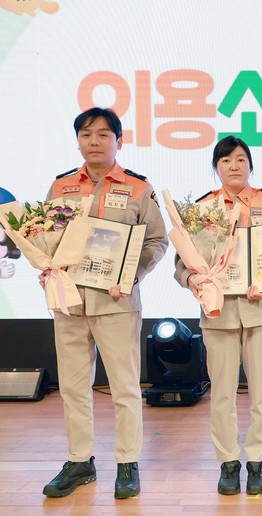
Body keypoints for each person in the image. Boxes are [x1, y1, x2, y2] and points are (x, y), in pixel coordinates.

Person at [41, 107, 168, 499]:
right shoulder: (61, 186)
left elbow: (157, 240)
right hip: (69, 302)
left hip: (116, 302)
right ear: (78, 141)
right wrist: (46, 265)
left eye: (102, 134)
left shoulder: (137, 187)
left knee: (125, 388)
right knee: (73, 387)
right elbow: (43, 235)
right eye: (86, 134)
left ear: (119, 141)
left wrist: (131, 274)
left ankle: (127, 463)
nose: (93, 141)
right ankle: (79, 461)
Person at [174, 136, 262, 496]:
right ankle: (228, 462)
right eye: (225, 160)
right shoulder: (201, 209)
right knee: (222, 393)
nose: (233, 166)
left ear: (250, 164)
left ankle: (257, 462)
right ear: (216, 167)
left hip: (261, 311)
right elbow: (182, 262)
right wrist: (192, 279)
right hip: (217, 313)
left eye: (240, 159)